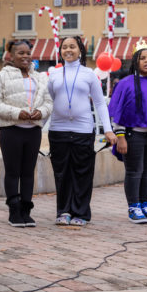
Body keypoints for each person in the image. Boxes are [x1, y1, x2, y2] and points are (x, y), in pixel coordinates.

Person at [47, 36, 116, 227]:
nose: (68, 50)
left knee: (82, 172)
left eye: (72, 47)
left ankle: (81, 213)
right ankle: (64, 211)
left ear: (80, 51)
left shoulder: (89, 75)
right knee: (62, 173)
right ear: (60, 51)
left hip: (83, 130)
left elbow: (100, 103)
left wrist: (108, 130)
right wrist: (38, 126)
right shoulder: (54, 75)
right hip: (58, 130)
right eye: (64, 47)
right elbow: (49, 102)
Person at [0, 40, 52, 228]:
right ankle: (14, 211)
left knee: (28, 172)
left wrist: (42, 112)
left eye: (28, 53)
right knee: (13, 171)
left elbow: (48, 101)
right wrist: (17, 113)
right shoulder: (2, 76)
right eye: (20, 53)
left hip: (33, 131)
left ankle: (26, 210)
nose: (25, 56)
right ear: (11, 56)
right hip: (11, 131)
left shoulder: (40, 77)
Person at [108, 40, 147, 223]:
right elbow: (117, 112)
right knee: (134, 171)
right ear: (135, 61)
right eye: (143, 58)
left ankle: (146, 203)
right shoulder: (125, 84)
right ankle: (134, 206)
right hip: (132, 134)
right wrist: (120, 136)